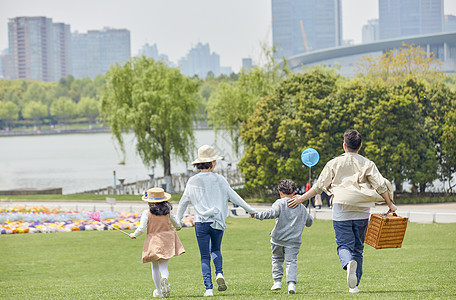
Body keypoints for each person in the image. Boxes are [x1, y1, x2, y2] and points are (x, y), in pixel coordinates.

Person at [288, 129, 397, 294]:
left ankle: (347, 264)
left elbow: (319, 187)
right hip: (362, 211)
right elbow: (381, 185)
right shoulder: (368, 163)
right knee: (358, 248)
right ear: (360, 146)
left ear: (344, 145)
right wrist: (390, 204)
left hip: (341, 209)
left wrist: (300, 199)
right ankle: (355, 286)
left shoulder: (334, 163)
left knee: (344, 245)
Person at [176, 145, 257, 297]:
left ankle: (209, 289)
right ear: (213, 162)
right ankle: (219, 273)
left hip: (201, 222)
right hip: (217, 222)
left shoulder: (192, 181)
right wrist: (250, 210)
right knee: (216, 250)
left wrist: (178, 221)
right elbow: (235, 197)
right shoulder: (220, 179)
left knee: (204, 256)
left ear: (198, 163)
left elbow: (183, 203)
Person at [251, 179, 313, 294]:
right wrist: (306, 212)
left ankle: (277, 282)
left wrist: (256, 215)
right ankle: (291, 285)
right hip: (294, 241)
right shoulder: (301, 206)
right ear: (294, 192)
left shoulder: (279, 203)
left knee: (277, 259)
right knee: (291, 261)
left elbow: (270, 213)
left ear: (280, 192)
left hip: (277, 239)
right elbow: (309, 223)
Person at [129, 187, 185, 298]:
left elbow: (141, 228)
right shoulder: (168, 211)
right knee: (164, 267)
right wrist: (178, 227)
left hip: (154, 240)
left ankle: (159, 291)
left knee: (154, 267)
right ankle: (165, 277)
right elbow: (177, 224)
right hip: (168, 240)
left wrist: (134, 234)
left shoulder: (147, 213)